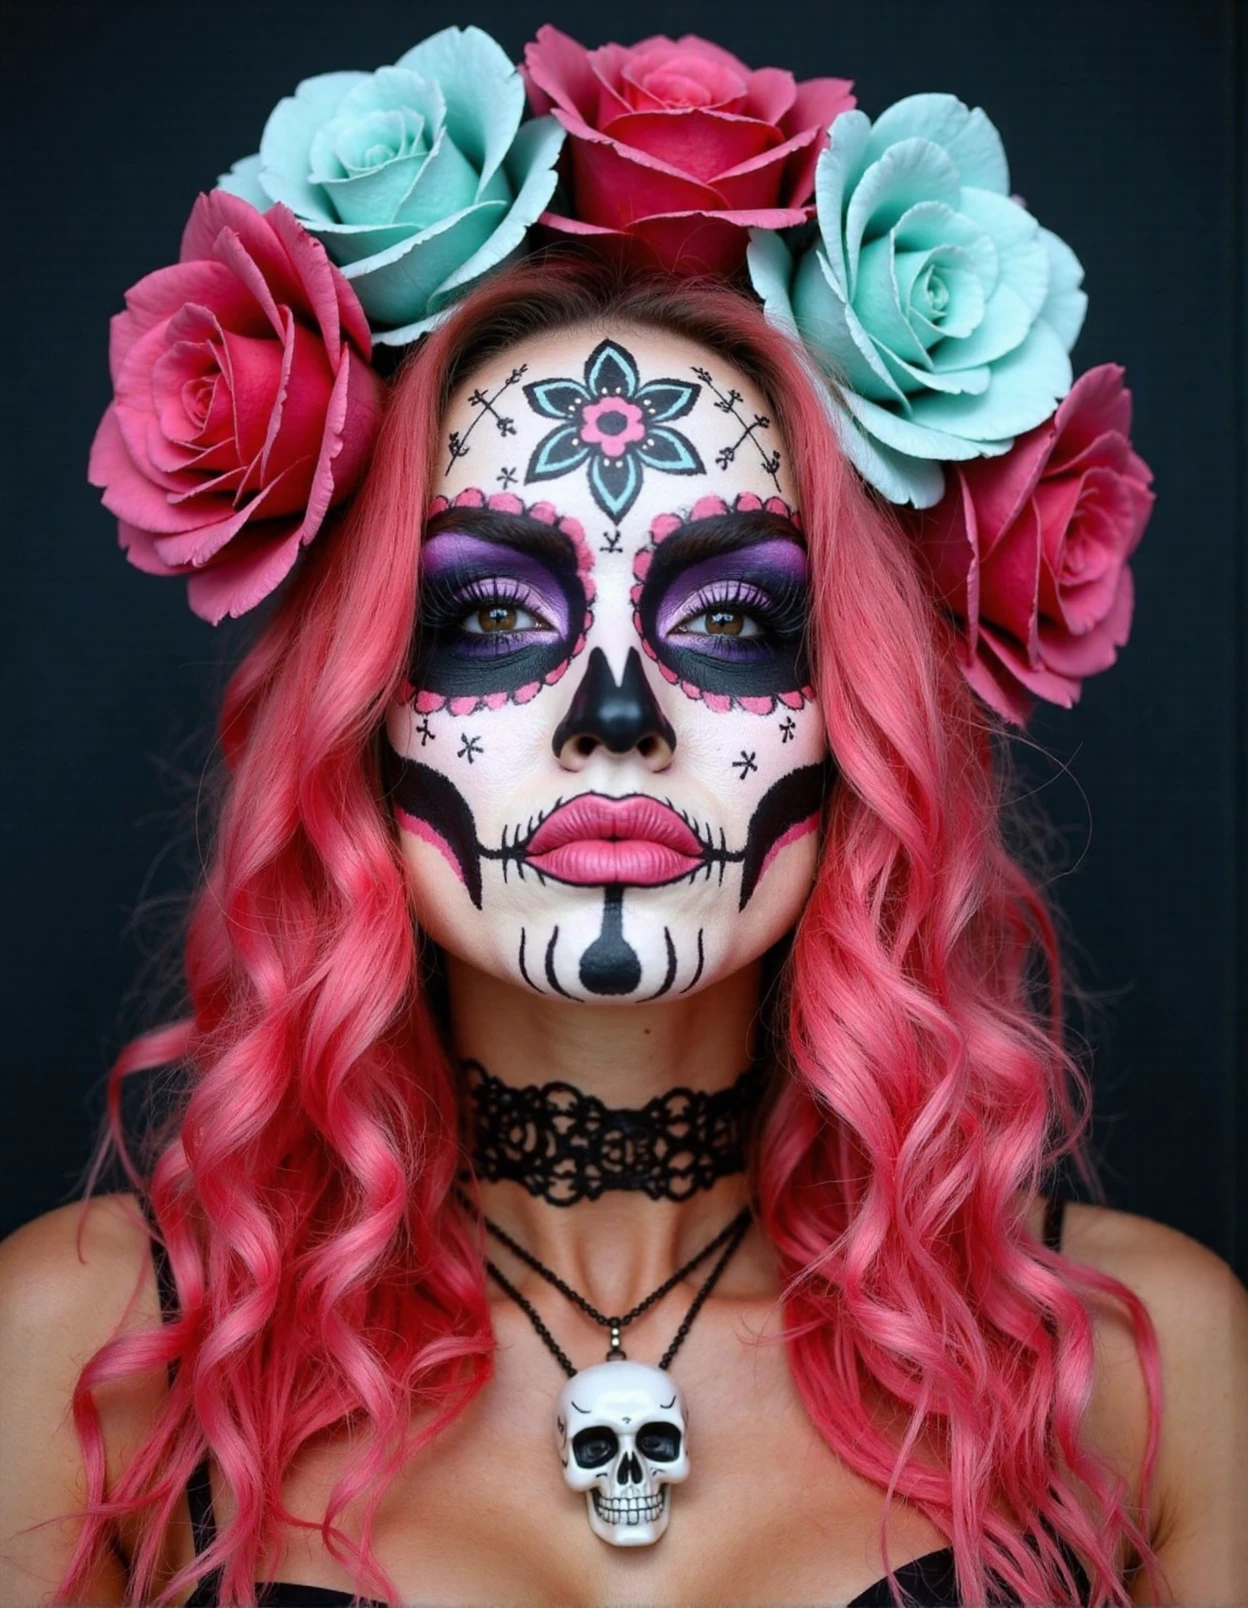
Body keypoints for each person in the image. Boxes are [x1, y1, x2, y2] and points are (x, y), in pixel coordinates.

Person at [2, 27, 1246, 1608]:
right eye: (487, 619)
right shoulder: (93, 1356)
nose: (614, 718)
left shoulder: (1139, 1374)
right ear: (357, 712)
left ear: (862, 713)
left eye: (731, 622)